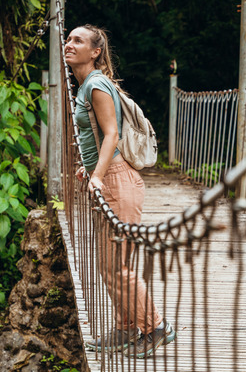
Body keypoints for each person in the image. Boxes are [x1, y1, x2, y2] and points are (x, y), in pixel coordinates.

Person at [66, 24, 175, 358]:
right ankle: (126, 329)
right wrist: (90, 165)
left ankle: (156, 327)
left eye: (78, 40)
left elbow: (111, 134)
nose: (69, 44)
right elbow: (97, 138)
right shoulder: (86, 86)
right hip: (110, 177)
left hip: (116, 181)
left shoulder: (96, 84)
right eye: (68, 39)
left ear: (95, 51)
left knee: (118, 268)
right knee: (110, 267)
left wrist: (97, 174)